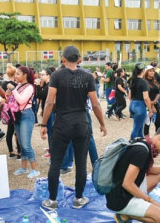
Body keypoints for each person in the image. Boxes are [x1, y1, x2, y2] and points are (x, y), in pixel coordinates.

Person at [40, 45, 107, 210]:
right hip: (80, 122)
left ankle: (52, 200)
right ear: (79, 59)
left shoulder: (56, 75)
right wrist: (102, 123)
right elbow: (96, 103)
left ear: (63, 59)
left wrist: (43, 123)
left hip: (62, 123)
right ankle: (78, 198)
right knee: (81, 162)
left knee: (55, 162)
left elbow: (49, 102)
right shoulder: (87, 76)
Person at [106, 125, 160, 223]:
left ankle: (134, 206)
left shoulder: (144, 143)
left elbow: (149, 170)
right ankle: (126, 214)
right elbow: (127, 184)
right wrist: (150, 200)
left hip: (117, 190)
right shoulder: (142, 152)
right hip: (120, 200)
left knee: (157, 177)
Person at [8, 66, 40, 178]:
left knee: (26, 144)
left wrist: (13, 90)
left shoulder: (30, 87)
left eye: (18, 74)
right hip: (17, 115)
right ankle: (24, 167)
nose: (15, 76)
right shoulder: (18, 86)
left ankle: (35, 169)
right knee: (21, 143)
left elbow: (21, 100)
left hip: (26, 115)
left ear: (25, 75)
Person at [129, 63, 151, 139]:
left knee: (139, 127)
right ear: (143, 70)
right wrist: (150, 109)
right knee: (137, 128)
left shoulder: (132, 80)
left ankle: (141, 142)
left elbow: (130, 96)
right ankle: (131, 143)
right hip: (140, 106)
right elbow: (146, 98)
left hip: (132, 105)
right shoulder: (143, 82)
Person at [143, 66, 160, 136]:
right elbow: (146, 96)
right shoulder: (144, 82)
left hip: (156, 104)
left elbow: (158, 93)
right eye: (150, 71)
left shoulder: (154, 81)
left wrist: (155, 101)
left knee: (158, 124)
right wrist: (152, 106)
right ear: (146, 72)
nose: (152, 72)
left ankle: (158, 139)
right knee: (147, 124)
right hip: (148, 106)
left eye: (153, 71)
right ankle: (147, 140)